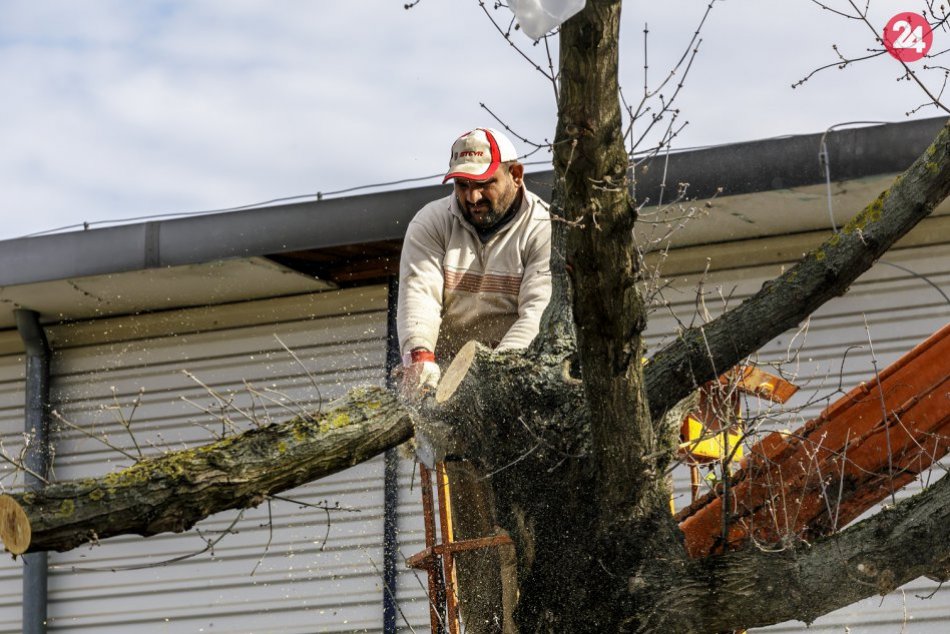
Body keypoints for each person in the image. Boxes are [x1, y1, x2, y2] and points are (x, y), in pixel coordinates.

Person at [396, 127, 552, 633]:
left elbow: (537, 314)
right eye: (462, 186)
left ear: (515, 173)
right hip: (454, 390)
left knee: (528, 527)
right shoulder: (432, 223)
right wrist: (421, 358)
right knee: (471, 531)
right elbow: (419, 296)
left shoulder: (543, 226)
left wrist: (494, 377)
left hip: (523, 383)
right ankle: (485, 626)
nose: (473, 197)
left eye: (483, 184)